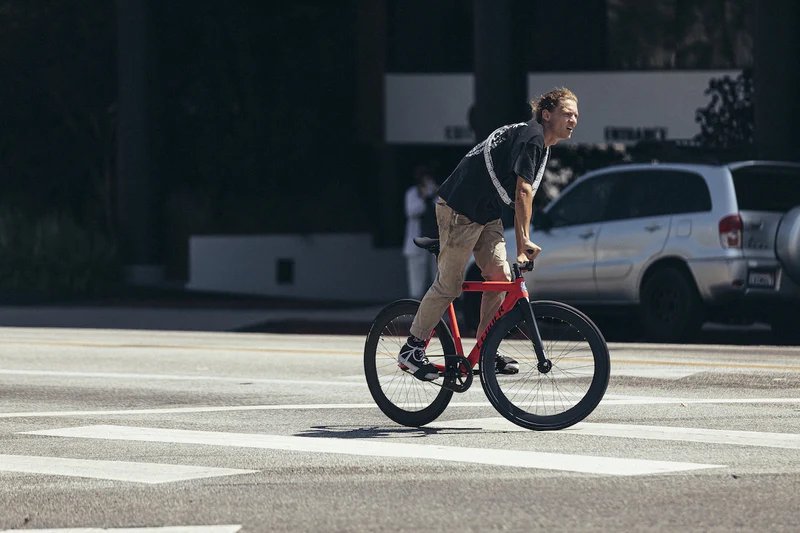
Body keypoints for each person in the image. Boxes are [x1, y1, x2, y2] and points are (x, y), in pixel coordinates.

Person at [398, 87, 579, 381]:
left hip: (485, 212)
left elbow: (522, 192)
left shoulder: (538, 141)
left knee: (499, 277)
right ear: (547, 115)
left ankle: (485, 350)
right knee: (449, 285)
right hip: (459, 208)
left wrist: (522, 243)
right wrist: (523, 243)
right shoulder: (532, 137)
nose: (573, 119)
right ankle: (412, 348)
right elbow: (523, 191)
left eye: (576, 115)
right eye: (567, 113)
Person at [403, 165, 439, 299]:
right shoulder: (412, 193)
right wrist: (424, 197)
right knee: (417, 277)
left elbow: (442, 209)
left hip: (434, 240)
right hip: (416, 243)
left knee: (437, 275)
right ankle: (415, 302)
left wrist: (434, 193)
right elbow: (411, 211)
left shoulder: (438, 192)